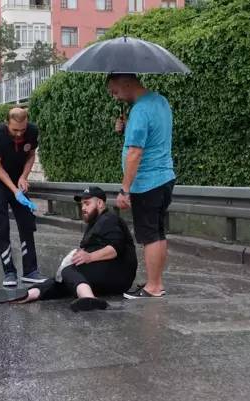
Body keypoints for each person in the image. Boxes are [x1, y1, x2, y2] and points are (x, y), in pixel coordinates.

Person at [0, 187, 138, 312]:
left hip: (120, 274)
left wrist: (90, 257)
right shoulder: (94, 224)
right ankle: (32, 293)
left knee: (69, 271)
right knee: (62, 278)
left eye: (87, 203)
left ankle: (90, 299)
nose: (83, 208)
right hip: (107, 272)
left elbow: (115, 249)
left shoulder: (109, 219)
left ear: (100, 203)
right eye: (82, 205)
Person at [108, 73, 176, 299]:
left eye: (115, 91)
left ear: (127, 83)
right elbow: (154, 134)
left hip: (147, 182)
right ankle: (157, 283)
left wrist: (125, 189)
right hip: (165, 177)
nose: (115, 97)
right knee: (157, 232)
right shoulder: (160, 101)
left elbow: (135, 152)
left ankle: (153, 287)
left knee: (149, 236)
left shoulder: (139, 110)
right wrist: (127, 128)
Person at [0, 107, 46, 286]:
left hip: (18, 179)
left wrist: (23, 177)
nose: (19, 134)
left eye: (22, 129)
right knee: (0, 224)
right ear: (7, 124)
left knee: (27, 222)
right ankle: (9, 272)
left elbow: (31, 156)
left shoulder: (32, 132)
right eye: (15, 130)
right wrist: (14, 190)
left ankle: (30, 271)